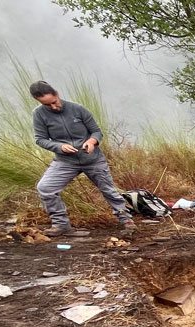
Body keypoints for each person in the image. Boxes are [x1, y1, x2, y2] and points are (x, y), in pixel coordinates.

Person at [30, 81, 135, 238]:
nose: (53, 107)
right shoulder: (38, 114)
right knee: (45, 188)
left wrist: (92, 142)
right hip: (65, 161)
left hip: (92, 159)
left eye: (54, 102)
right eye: (47, 105)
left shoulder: (77, 109)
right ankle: (61, 225)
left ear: (57, 94)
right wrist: (59, 147)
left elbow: (96, 132)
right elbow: (40, 139)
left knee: (109, 190)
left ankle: (127, 221)